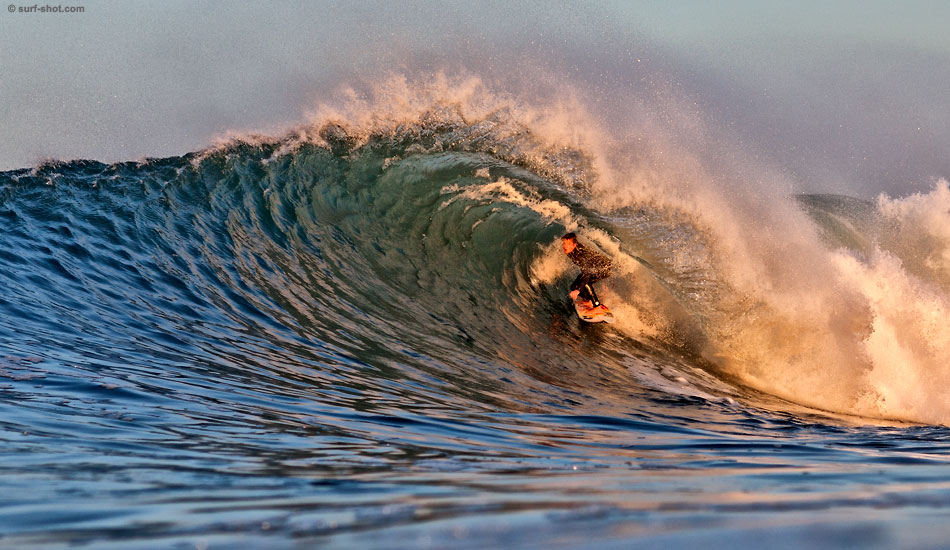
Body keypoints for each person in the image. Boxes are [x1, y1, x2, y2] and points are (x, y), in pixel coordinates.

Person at [561, 232, 611, 312]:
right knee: (573, 286)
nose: (565, 246)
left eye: (568, 244)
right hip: (594, 269)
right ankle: (589, 300)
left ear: (574, 245)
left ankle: (597, 306)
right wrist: (577, 289)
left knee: (585, 283)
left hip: (604, 268)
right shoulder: (571, 251)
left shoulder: (581, 255)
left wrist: (578, 290)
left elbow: (586, 275)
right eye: (564, 243)